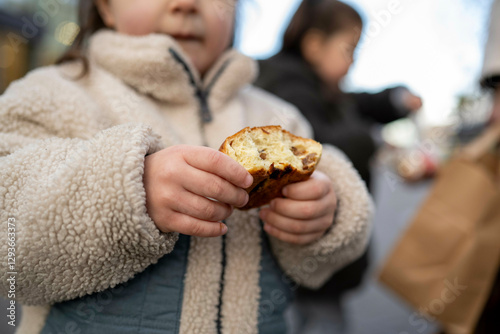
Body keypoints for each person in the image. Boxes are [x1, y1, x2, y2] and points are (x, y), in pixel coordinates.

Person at [0, 0, 373, 333]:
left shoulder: (278, 115)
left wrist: (326, 212)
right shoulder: (54, 93)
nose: (186, 4)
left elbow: (320, 252)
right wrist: (124, 189)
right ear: (106, 7)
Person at [255, 1, 421, 333]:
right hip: (296, 257)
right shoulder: (287, 87)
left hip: (311, 258)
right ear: (315, 45)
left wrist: (396, 99)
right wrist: (371, 140)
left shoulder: (324, 90)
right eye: (349, 48)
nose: (353, 59)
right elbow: (315, 144)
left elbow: (363, 102)